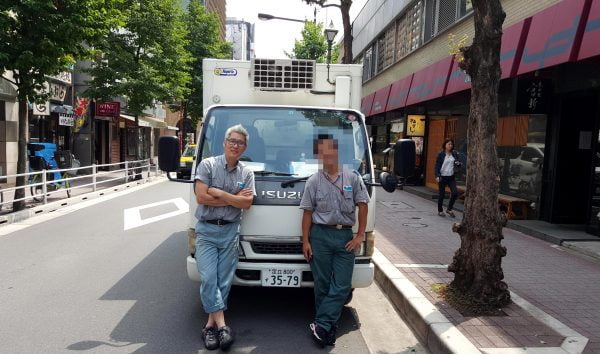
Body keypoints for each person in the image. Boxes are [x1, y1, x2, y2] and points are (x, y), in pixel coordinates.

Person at [299, 134, 370, 347]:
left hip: (344, 236)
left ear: (336, 150)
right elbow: (307, 213)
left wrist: (360, 236)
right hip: (319, 236)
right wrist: (305, 241)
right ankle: (326, 328)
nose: (326, 154)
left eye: (330, 149)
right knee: (322, 283)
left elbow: (363, 205)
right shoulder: (313, 181)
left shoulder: (352, 177)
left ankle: (321, 324)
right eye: (321, 151)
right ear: (317, 155)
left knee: (342, 285)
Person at [194, 124, 255, 351]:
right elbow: (201, 197)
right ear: (224, 142)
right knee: (209, 277)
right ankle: (222, 326)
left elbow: (247, 204)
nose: (235, 145)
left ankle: (209, 327)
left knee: (223, 281)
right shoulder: (208, 165)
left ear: (244, 147)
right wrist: (233, 198)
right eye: (232, 140)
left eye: (240, 142)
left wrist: (219, 193)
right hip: (207, 231)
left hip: (230, 230)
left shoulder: (246, 173)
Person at [434, 139, 463, 217]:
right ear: (445, 145)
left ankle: (449, 209)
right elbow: (437, 166)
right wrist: (437, 175)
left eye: (451, 144)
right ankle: (440, 210)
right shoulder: (441, 154)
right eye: (449, 144)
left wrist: (458, 163)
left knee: (455, 193)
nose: (450, 146)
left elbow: (460, 163)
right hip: (442, 177)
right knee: (442, 195)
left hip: (451, 177)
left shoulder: (454, 154)